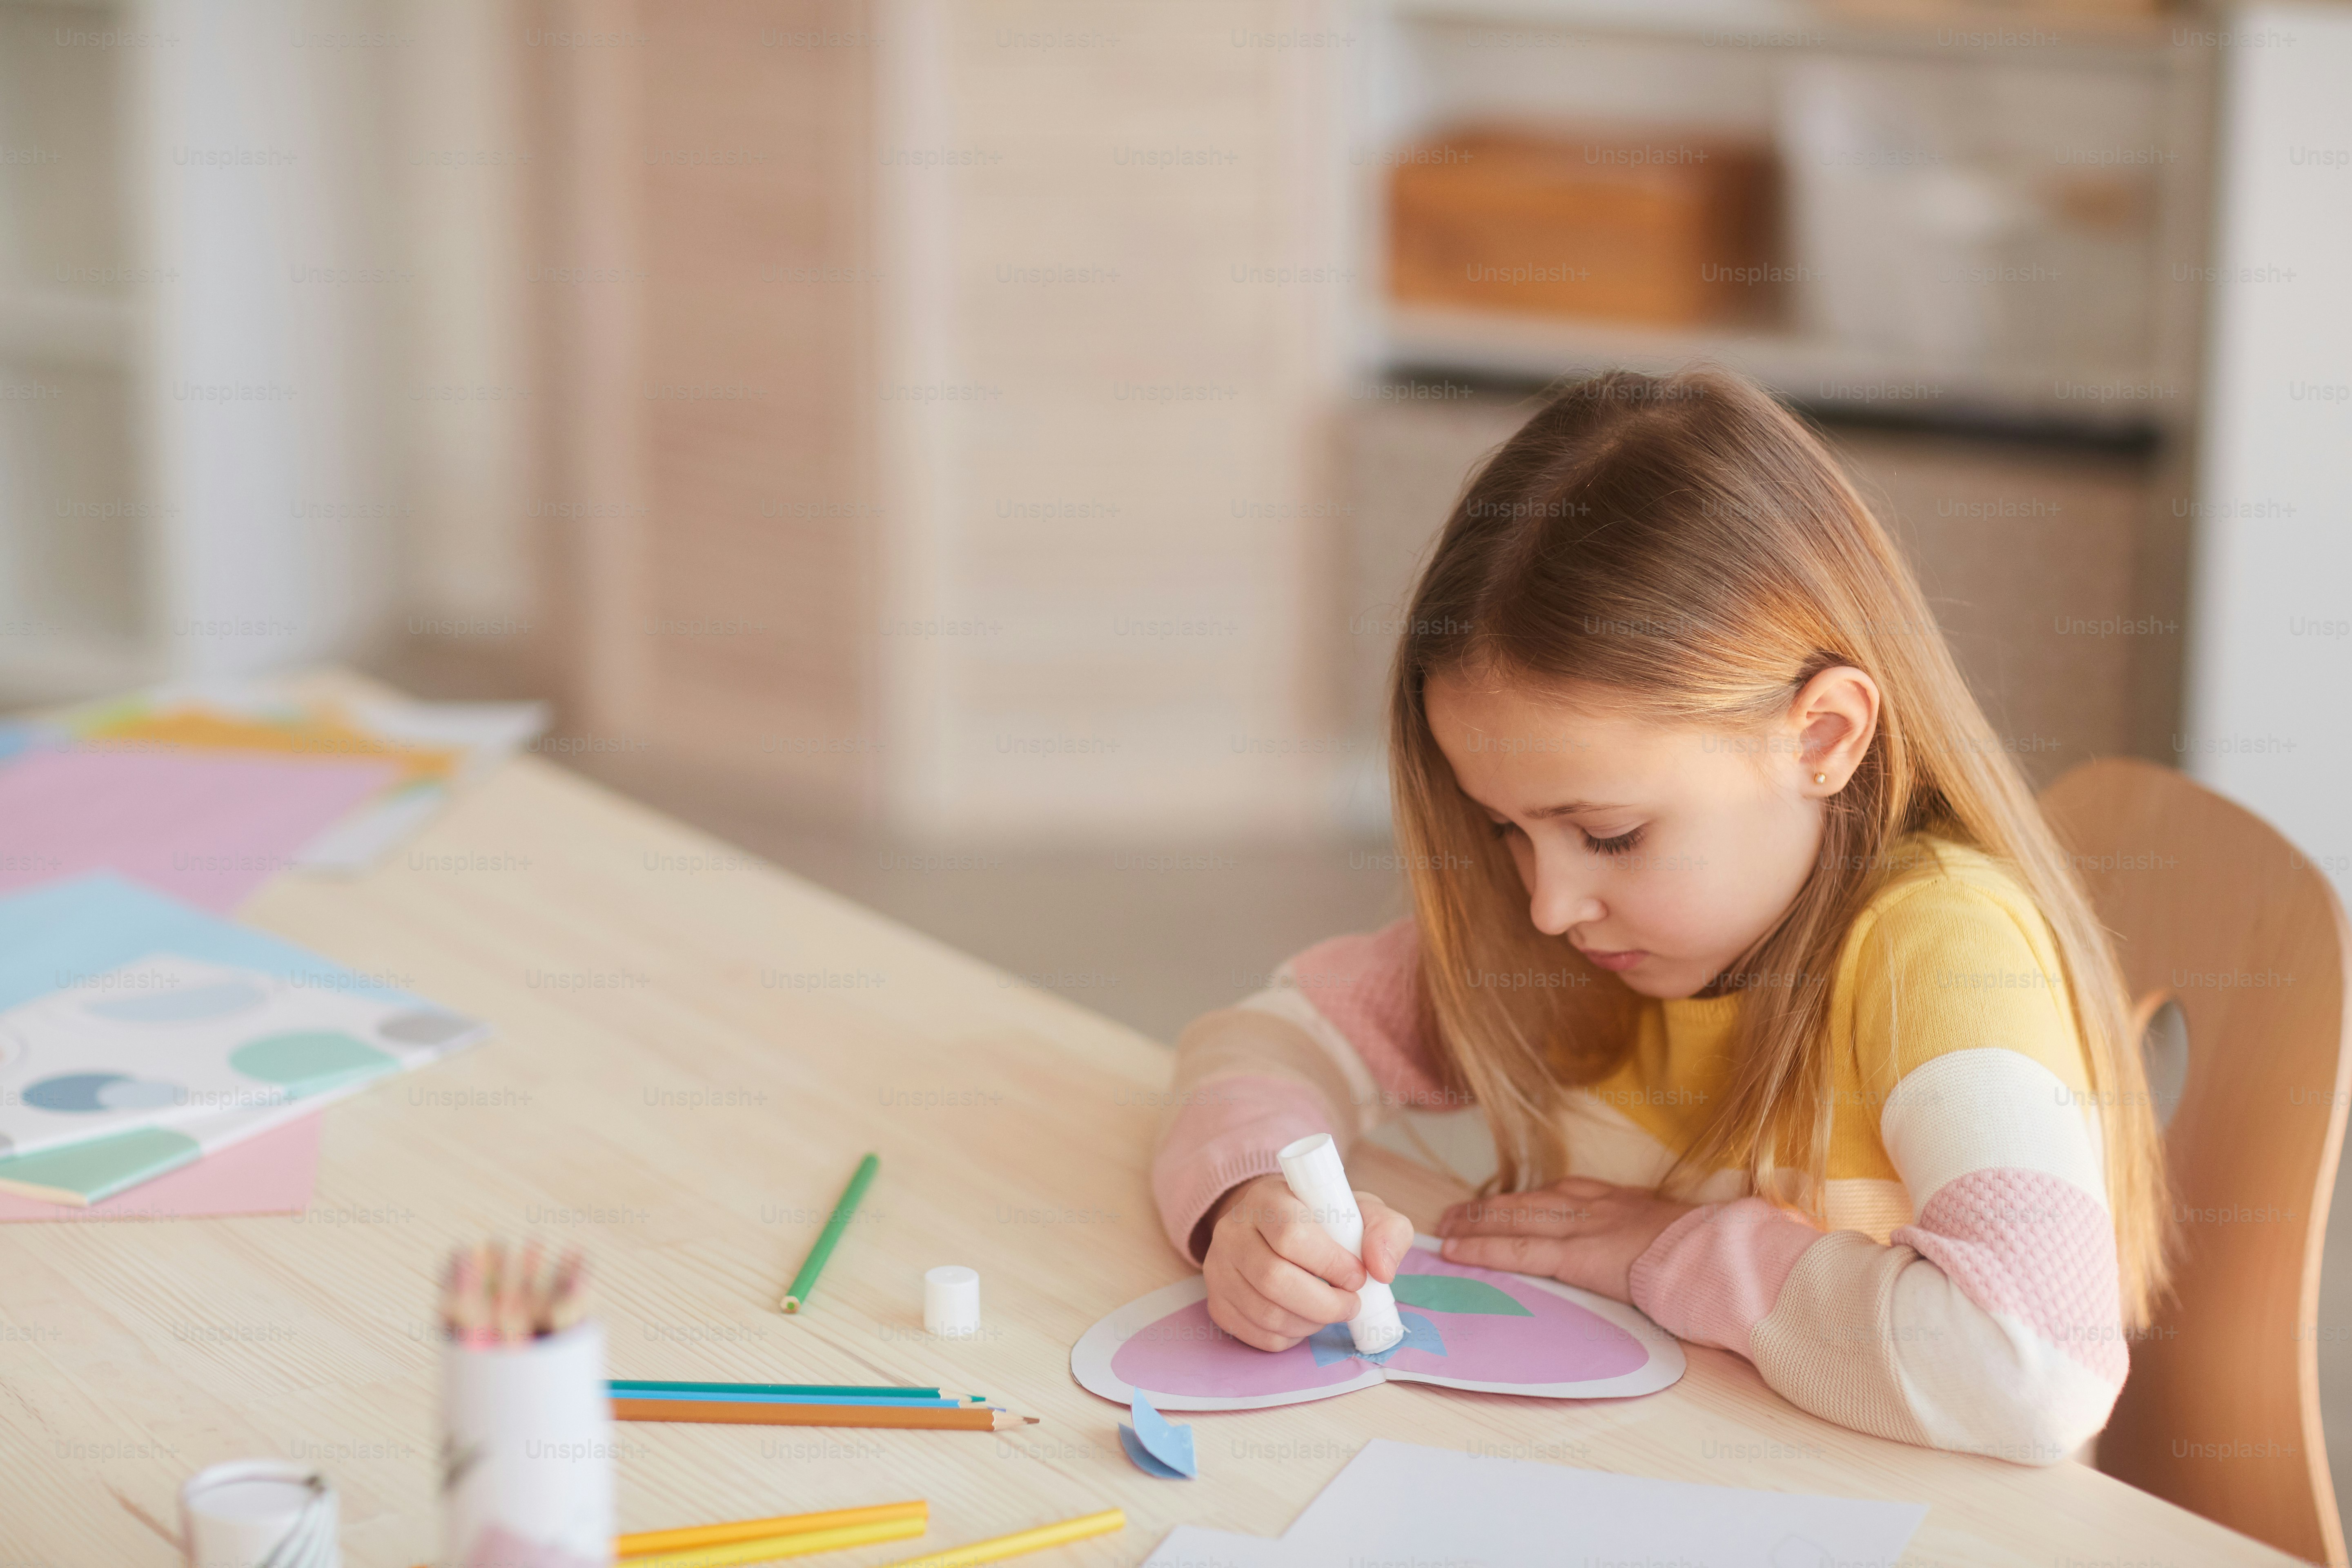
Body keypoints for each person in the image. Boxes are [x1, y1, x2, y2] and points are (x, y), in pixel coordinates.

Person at [1152, 367, 2169, 1463]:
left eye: (1612, 835)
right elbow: (1268, 1035)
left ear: (1821, 739)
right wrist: (1253, 1194)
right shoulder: (1594, 932)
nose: (1548, 906)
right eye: (1506, 828)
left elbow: (2040, 1371)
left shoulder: (1947, 952)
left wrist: (1674, 1253)